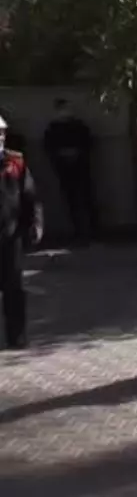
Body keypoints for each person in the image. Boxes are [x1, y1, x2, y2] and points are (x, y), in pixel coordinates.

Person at [0, 115, 43, 349]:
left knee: (14, 288)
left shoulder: (15, 162)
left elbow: (30, 197)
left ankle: (17, 336)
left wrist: (35, 224)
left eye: (2, 133)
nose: (0, 137)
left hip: (10, 235)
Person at [43, 98, 98, 243]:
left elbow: (89, 143)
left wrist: (77, 153)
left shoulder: (79, 126)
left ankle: (93, 230)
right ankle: (79, 231)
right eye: (62, 108)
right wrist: (62, 156)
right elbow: (49, 147)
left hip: (81, 167)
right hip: (65, 169)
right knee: (71, 200)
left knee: (87, 198)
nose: (65, 111)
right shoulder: (53, 128)